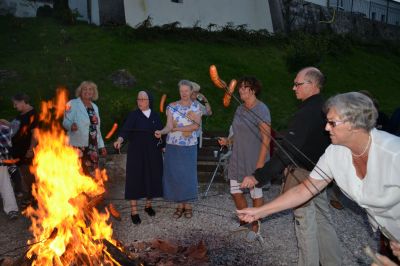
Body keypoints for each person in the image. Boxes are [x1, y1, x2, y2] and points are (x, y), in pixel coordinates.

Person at [238, 92, 400, 265]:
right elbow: (305, 189)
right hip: (388, 234)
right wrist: (259, 211)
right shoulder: (334, 152)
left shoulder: (394, 154)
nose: (326, 128)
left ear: (354, 124)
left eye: (332, 123)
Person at [241, 67, 341, 265]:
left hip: (303, 175)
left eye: (297, 84)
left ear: (312, 85)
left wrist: (258, 176)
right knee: (323, 221)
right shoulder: (325, 107)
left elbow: (287, 150)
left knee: (305, 225)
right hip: (321, 174)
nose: (293, 87)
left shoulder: (307, 111)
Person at [217, 76, 271, 239]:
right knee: (235, 191)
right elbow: (237, 133)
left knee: (255, 193)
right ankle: (244, 221)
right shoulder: (240, 109)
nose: (240, 90)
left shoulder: (261, 109)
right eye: (239, 87)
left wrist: (260, 164)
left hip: (255, 157)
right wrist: (228, 140)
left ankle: (255, 227)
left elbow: (267, 138)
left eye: (244, 87)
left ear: (253, 90)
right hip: (238, 156)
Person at [114, 91, 164, 225]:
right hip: (136, 152)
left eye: (143, 99)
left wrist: (162, 142)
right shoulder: (133, 115)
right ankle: (134, 211)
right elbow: (125, 130)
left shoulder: (155, 115)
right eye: (138, 99)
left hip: (153, 152)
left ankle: (148, 205)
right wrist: (119, 139)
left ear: (149, 101)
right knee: (134, 178)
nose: (140, 101)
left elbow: (162, 132)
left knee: (152, 176)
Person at [155, 80, 202, 219]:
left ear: (191, 91)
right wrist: (162, 132)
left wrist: (177, 128)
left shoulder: (196, 107)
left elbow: (195, 126)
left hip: (189, 146)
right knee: (174, 175)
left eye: (186, 91)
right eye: (182, 91)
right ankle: (179, 205)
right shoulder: (172, 106)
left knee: (187, 175)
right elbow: (169, 126)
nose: (184, 93)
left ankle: (188, 205)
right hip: (173, 145)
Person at [63, 81, 107, 177]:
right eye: (85, 89)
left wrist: (101, 146)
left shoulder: (95, 107)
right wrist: (71, 126)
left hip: (92, 146)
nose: (88, 91)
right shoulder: (72, 103)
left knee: (91, 172)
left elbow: (97, 129)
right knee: (76, 171)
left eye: (90, 89)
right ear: (80, 91)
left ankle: (90, 191)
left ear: (94, 92)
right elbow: (65, 121)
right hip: (77, 144)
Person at [10, 93, 38, 207]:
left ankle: (33, 197)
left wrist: (30, 150)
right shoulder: (21, 115)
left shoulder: (33, 114)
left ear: (22, 101)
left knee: (28, 175)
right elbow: (13, 127)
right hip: (17, 151)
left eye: (15, 104)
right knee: (24, 174)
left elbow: (35, 134)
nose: (14, 106)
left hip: (26, 151)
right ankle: (32, 195)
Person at [0, 119, 19, 220]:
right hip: (2, 160)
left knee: (5, 184)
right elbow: (15, 128)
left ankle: (12, 209)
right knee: (5, 185)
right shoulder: (4, 128)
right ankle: (12, 209)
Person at [190, 81, 212, 148]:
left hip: (196, 136)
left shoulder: (197, 103)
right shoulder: (182, 104)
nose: (197, 94)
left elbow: (209, 112)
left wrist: (205, 100)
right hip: (186, 137)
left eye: (198, 92)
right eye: (196, 92)